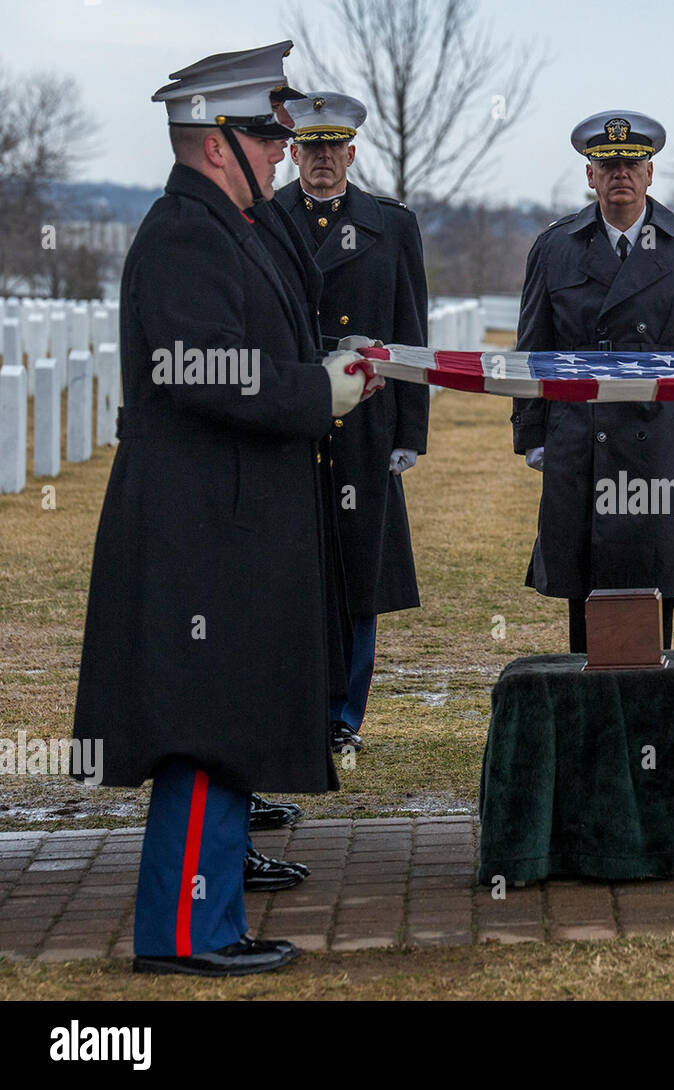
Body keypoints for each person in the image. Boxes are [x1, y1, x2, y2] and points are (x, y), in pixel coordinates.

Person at [72, 41, 383, 976]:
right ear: (217, 143)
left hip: (231, 521)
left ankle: (205, 922)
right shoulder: (184, 234)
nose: (285, 151)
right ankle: (184, 934)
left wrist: (330, 370)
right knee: (204, 727)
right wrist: (315, 392)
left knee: (227, 719)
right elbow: (199, 369)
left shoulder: (230, 224)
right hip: (200, 528)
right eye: (266, 135)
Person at [510, 111, 674, 651]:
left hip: (661, 437)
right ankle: (586, 701)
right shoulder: (556, 246)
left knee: (655, 577)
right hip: (578, 435)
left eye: (631, 163)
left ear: (651, 172)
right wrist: (532, 429)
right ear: (589, 175)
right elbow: (533, 347)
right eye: (607, 163)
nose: (620, 173)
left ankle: (650, 696)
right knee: (583, 581)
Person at [276, 91, 430, 754]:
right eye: (311, 148)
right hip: (292, 416)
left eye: (333, 148)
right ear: (294, 153)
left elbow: (410, 330)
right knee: (289, 573)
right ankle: (294, 708)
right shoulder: (265, 219)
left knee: (359, 573)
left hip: (366, 423)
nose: (322, 160)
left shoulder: (391, 225)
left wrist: (410, 432)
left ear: (352, 152)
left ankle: (343, 717)